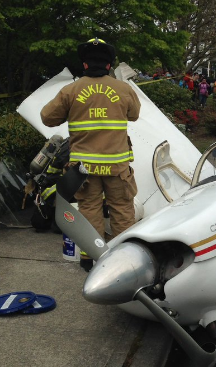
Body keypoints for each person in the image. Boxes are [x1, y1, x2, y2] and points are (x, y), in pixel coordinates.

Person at [40, 37, 141, 271]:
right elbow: (134, 114)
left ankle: (90, 258)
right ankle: (126, 261)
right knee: (122, 210)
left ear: (84, 65)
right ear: (109, 65)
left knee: (89, 211)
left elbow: (48, 117)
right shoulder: (123, 89)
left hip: (83, 170)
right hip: (117, 167)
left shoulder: (71, 90)